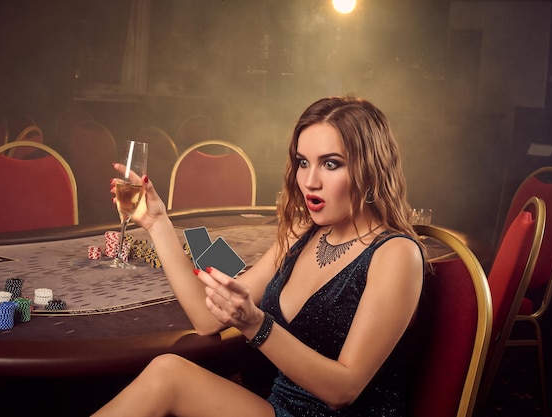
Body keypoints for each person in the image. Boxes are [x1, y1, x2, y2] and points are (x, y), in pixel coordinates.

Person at [93, 95, 425, 417]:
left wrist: (255, 324)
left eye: (331, 164)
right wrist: (157, 223)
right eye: (303, 162)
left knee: (168, 375)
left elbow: (344, 390)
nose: (310, 181)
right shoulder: (300, 233)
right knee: (166, 371)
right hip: (279, 407)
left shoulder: (396, 253)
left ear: (370, 171)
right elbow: (208, 321)